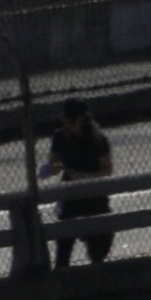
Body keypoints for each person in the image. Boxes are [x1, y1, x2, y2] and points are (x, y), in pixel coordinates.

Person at [43, 106, 115, 271]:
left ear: (82, 120)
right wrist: (52, 168)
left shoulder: (97, 138)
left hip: (94, 196)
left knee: (98, 249)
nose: (67, 125)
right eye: (65, 121)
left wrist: (83, 177)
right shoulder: (60, 137)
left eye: (71, 121)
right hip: (71, 197)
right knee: (64, 245)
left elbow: (108, 169)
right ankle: (62, 276)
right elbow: (48, 168)